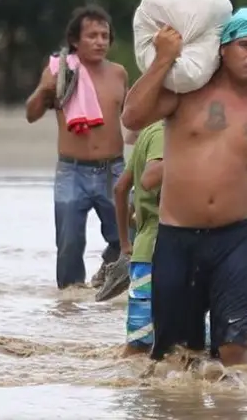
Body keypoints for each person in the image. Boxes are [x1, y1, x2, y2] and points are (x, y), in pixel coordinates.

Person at [121, 7, 247, 366]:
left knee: (234, 349)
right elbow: (132, 117)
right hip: (176, 239)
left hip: (235, 241)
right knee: (175, 353)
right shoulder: (186, 91)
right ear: (223, 48)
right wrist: (163, 60)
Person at [24, 5, 128, 290]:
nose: (100, 41)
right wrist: (45, 88)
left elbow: (132, 117)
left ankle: (109, 271)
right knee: (69, 242)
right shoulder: (60, 72)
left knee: (125, 236)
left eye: (105, 36)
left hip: (112, 168)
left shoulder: (119, 73)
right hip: (72, 170)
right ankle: (69, 302)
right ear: (75, 41)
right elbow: (31, 114)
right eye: (92, 35)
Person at [112, 121, 164, 355]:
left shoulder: (148, 133)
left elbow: (120, 188)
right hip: (167, 249)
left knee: (139, 340)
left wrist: (125, 243)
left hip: (142, 251)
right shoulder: (165, 135)